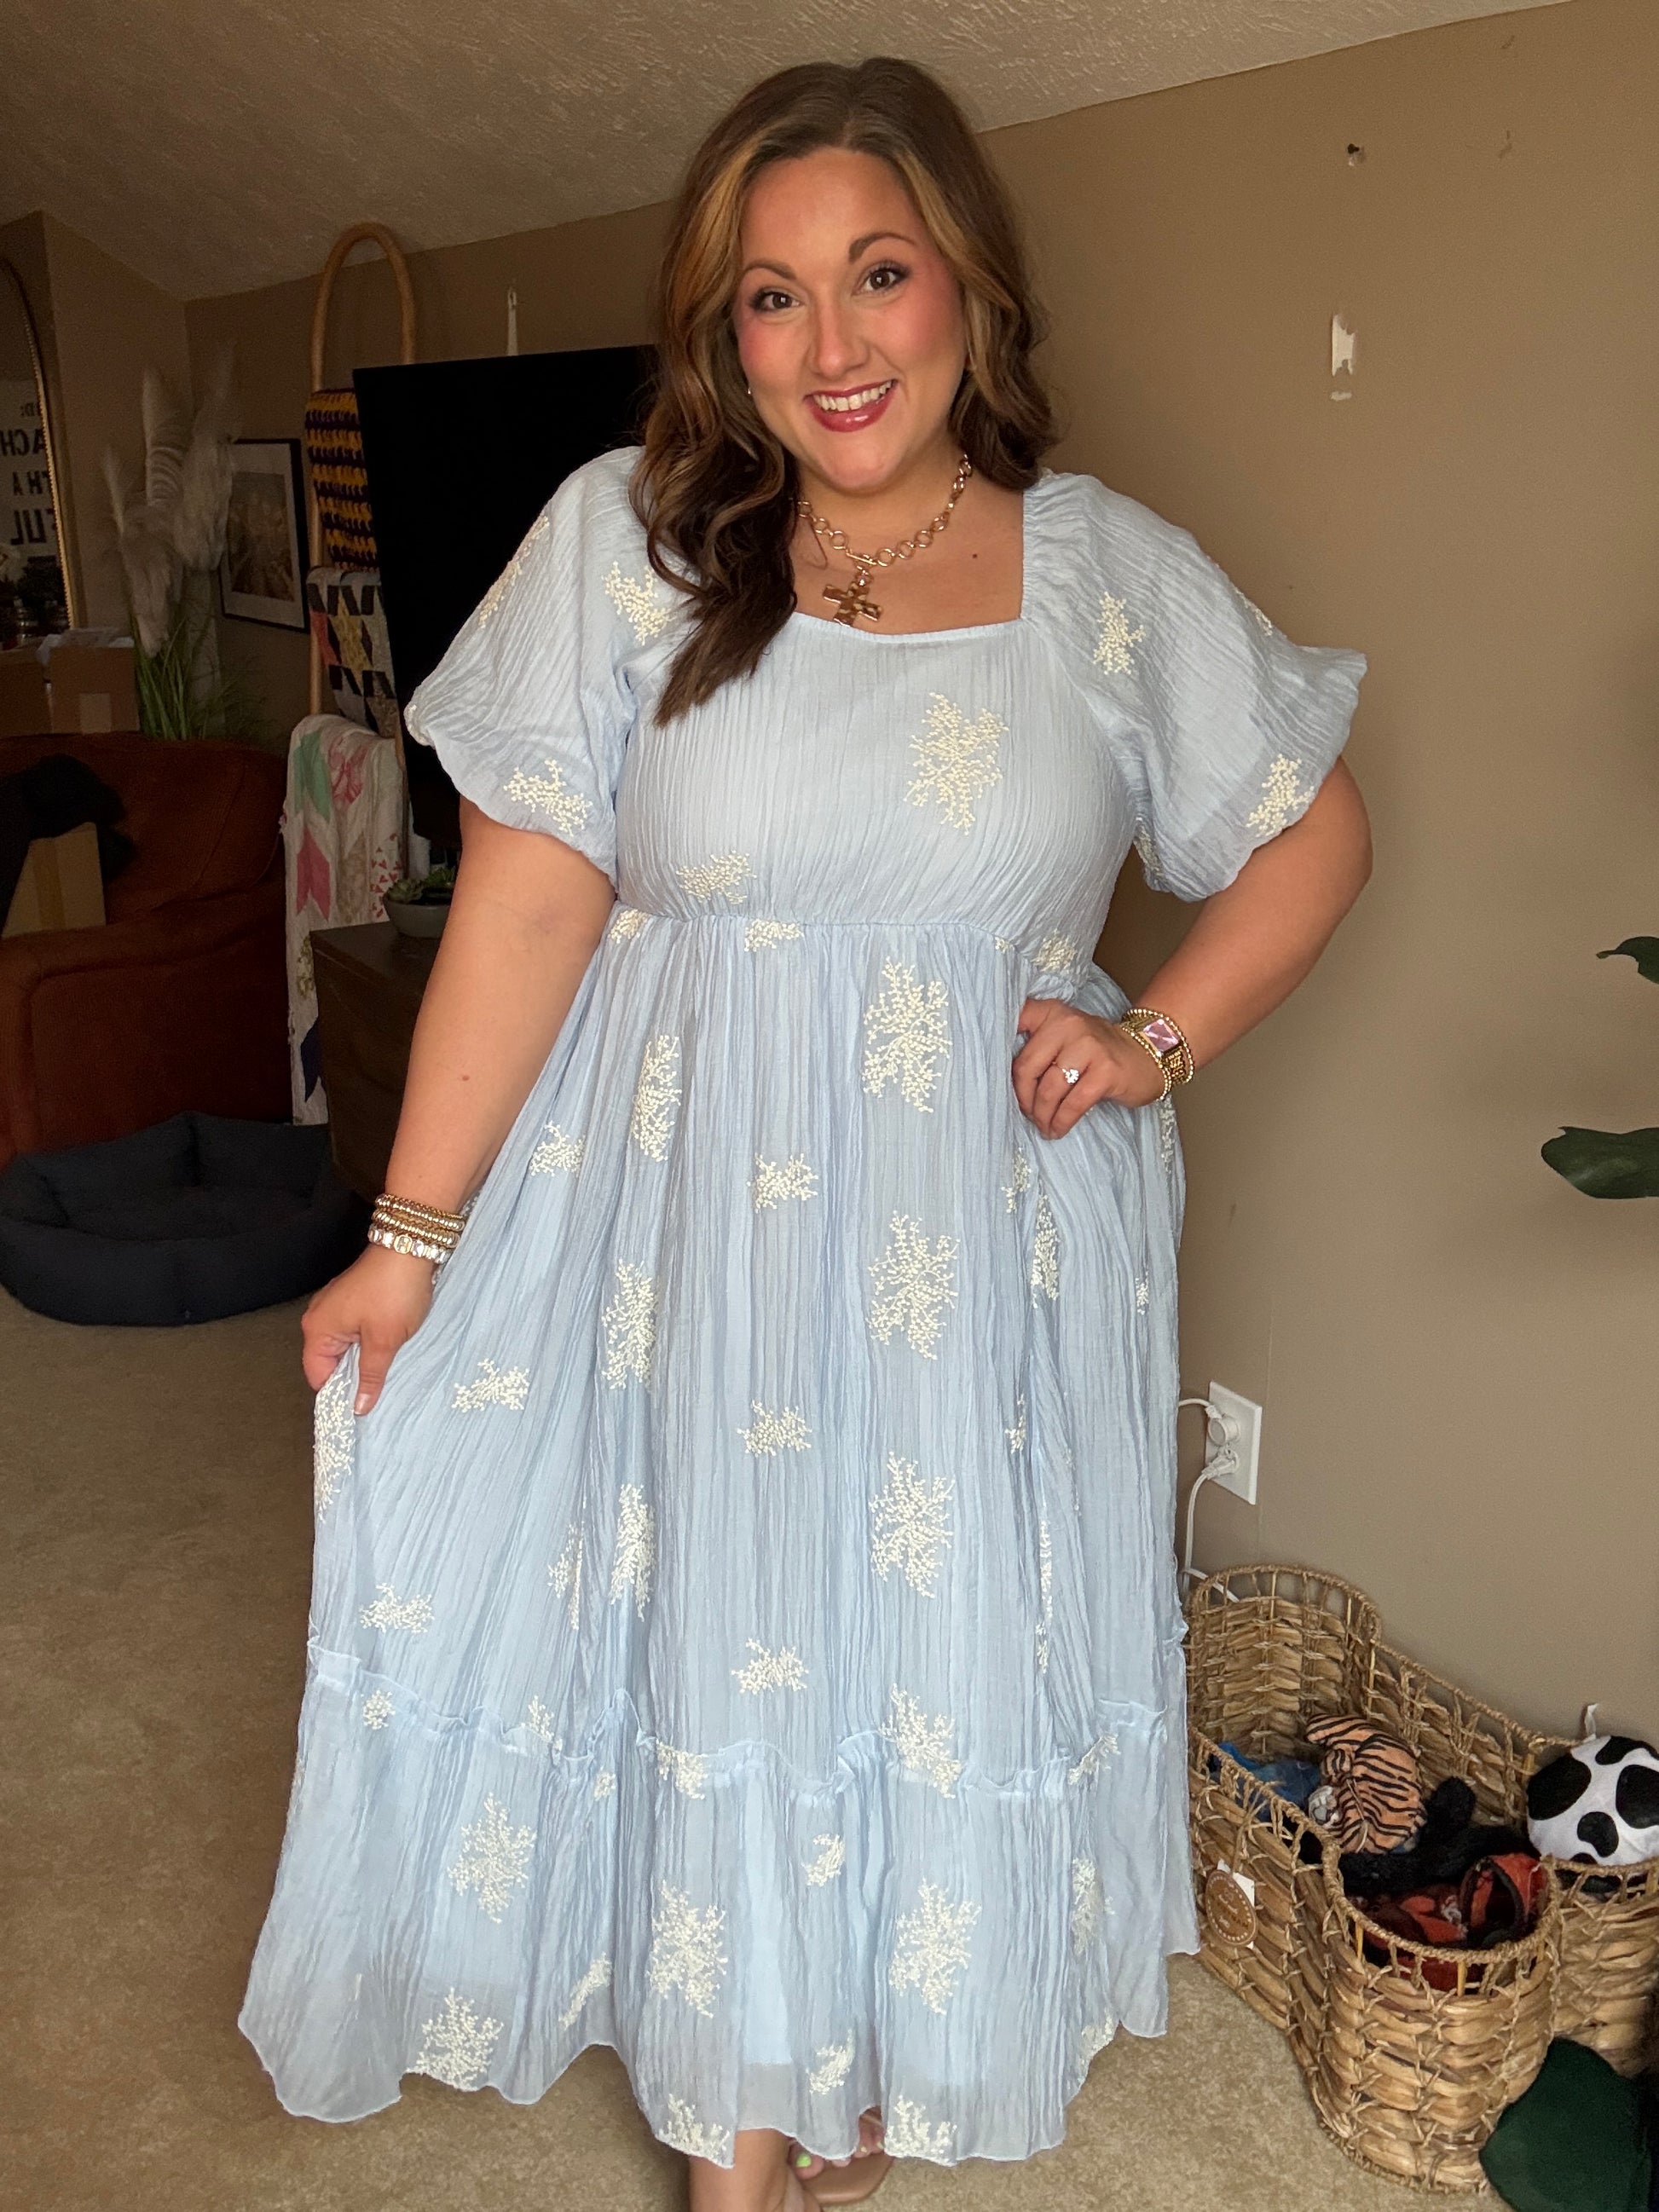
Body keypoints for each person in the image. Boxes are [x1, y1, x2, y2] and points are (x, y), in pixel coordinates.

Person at [239, 55, 1372, 2212]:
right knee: (733, 1621)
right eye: (773, 296)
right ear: (722, 328)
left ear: (971, 291)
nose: (831, 344)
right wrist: (408, 1234)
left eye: (879, 274)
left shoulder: (1104, 575)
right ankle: (737, 2137)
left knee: (914, 1636)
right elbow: (529, 903)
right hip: (699, 1213)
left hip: (981, 1232)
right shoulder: (630, 539)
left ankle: (838, 2044)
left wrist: (1155, 1042)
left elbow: (1314, 834)